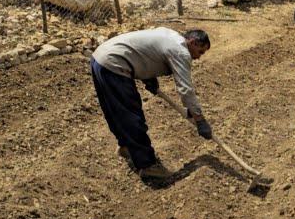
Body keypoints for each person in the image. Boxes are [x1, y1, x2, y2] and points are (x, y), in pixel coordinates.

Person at [90, 27, 213, 182]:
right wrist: (200, 119)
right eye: (200, 52)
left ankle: (127, 147)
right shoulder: (181, 51)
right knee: (131, 116)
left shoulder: (169, 34)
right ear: (193, 42)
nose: (198, 57)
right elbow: (186, 89)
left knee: (115, 111)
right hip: (114, 64)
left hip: (99, 58)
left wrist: (148, 76)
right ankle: (147, 165)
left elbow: (142, 51)